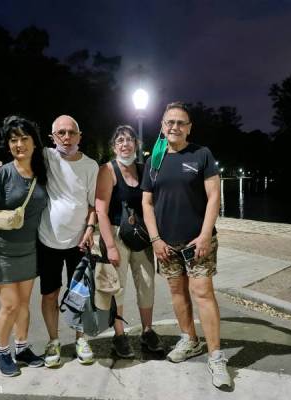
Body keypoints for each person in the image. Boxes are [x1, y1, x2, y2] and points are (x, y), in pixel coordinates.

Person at [0, 115, 98, 366]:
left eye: (72, 132)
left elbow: (93, 204)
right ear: (52, 138)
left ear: (80, 136)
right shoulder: (45, 157)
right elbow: (18, 158)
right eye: (61, 133)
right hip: (47, 242)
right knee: (49, 294)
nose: (67, 137)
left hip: (79, 242)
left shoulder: (91, 166)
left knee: (79, 295)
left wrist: (90, 228)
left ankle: (81, 338)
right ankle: (53, 341)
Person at [141, 102, 232, 390]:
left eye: (181, 123)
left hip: (198, 241)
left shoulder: (201, 154)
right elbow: (146, 202)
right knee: (177, 291)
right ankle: (190, 340)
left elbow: (214, 196)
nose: (175, 127)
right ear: (162, 126)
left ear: (189, 127)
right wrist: (155, 239)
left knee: (202, 292)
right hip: (166, 243)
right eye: (170, 122)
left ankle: (216, 356)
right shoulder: (154, 161)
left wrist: (205, 235)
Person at [0, 116, 48, 377]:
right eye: (14, 140)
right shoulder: (2, 173)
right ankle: (2, 352)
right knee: (10, 305)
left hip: (28, 251)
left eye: (24, 138)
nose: (19, 144)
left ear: (34, 143)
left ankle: (22, 348)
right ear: (8, 145)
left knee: (25, 303)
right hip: (2, 252)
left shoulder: (41, 173)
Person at [95, 125, 164, 358]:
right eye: (120, 140)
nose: (125, 144)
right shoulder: (108, 170)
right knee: (118, 288)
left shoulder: (143, 169)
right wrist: (111, 246)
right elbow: (101, 211)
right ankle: (119, 335)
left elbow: (152, 204)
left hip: (141, 235)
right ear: (114, 146)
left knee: (147, 283)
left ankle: (147, 330)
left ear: (136, 144)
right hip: (116, 234)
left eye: (129, 140)